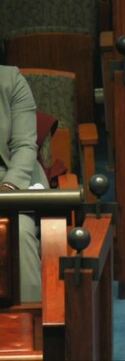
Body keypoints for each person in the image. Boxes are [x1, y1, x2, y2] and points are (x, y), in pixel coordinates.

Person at [0, 65, 49, 302]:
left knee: (17, 233)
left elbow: (24, 147)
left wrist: (8, 189)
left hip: (12, 178)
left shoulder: (10, 80)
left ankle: (31, 325)